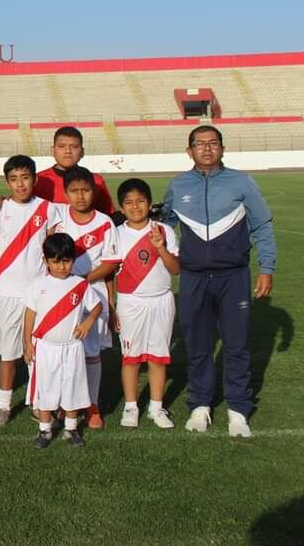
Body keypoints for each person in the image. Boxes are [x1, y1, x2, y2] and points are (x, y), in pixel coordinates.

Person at [162, 125, 276, 438]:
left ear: (223, 148)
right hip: (193, 277)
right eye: (200, 144)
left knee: (237, 344)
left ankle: (239, 409)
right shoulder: (178, 185)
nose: (207, 148)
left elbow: (262, 226)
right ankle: (200, 404)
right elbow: (164, 228)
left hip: (233, 276)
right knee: (197, 345)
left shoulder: (241, 182)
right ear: (189, 151)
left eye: (214, 143)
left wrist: (266, 267)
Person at [0, 155, 61, 429]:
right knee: (8, 353)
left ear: (35, 179)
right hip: (7, 291)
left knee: (37, 351)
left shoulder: (48, 209)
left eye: (25, 177)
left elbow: (53, 243)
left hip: (39, 292)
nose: (20, 184)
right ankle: (4, 406)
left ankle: (38, 402)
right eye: (14, 180)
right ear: (7, 182)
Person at [53, 166, 120, 428]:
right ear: (66, 193)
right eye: (74, 191)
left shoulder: (104, 222)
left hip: (93, 295)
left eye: (86, 190)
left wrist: (82, 281)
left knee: (91, 352)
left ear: (94, 191)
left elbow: (111, 262)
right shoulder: (59, 220)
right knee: (65, 351)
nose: (80, 196)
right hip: (62, 299)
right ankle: (65, 404)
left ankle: (92, 405)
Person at [23, 233, 102, 449]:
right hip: (46, 347)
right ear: (46, 261)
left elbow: (97, 306)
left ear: (73, 260)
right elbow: (29, 314)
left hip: (72, 347)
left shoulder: (80, 284)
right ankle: (45, 430)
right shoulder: (38, 284)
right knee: (45, 389)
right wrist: (27, 343)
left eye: (66, 260)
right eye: (55, 261)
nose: (61, 266)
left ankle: (71, 428)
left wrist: (87, 323)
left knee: (73, 387)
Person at [114, 179, 179, 430]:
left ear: (150, 204)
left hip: (161, 300)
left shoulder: (163, 231)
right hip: (130, 303)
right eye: (129, 202)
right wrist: (112, 306)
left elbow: (175, 269)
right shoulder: (117, 233)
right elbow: (110, 270)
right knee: (130, 358)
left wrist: (161, 248)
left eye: (141, 201)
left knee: (158, 357)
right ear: (122, 207)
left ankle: (156, 406)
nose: (135, 207)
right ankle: (131, 407)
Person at [0, 126, 115, 216]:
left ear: (82, 152)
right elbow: (19, 203)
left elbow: (108, 215)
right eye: (61, 146)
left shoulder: (96, 181)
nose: (68, 151)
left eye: (74, 147)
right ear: (52, 150)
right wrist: (2, 199)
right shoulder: (40, 179)